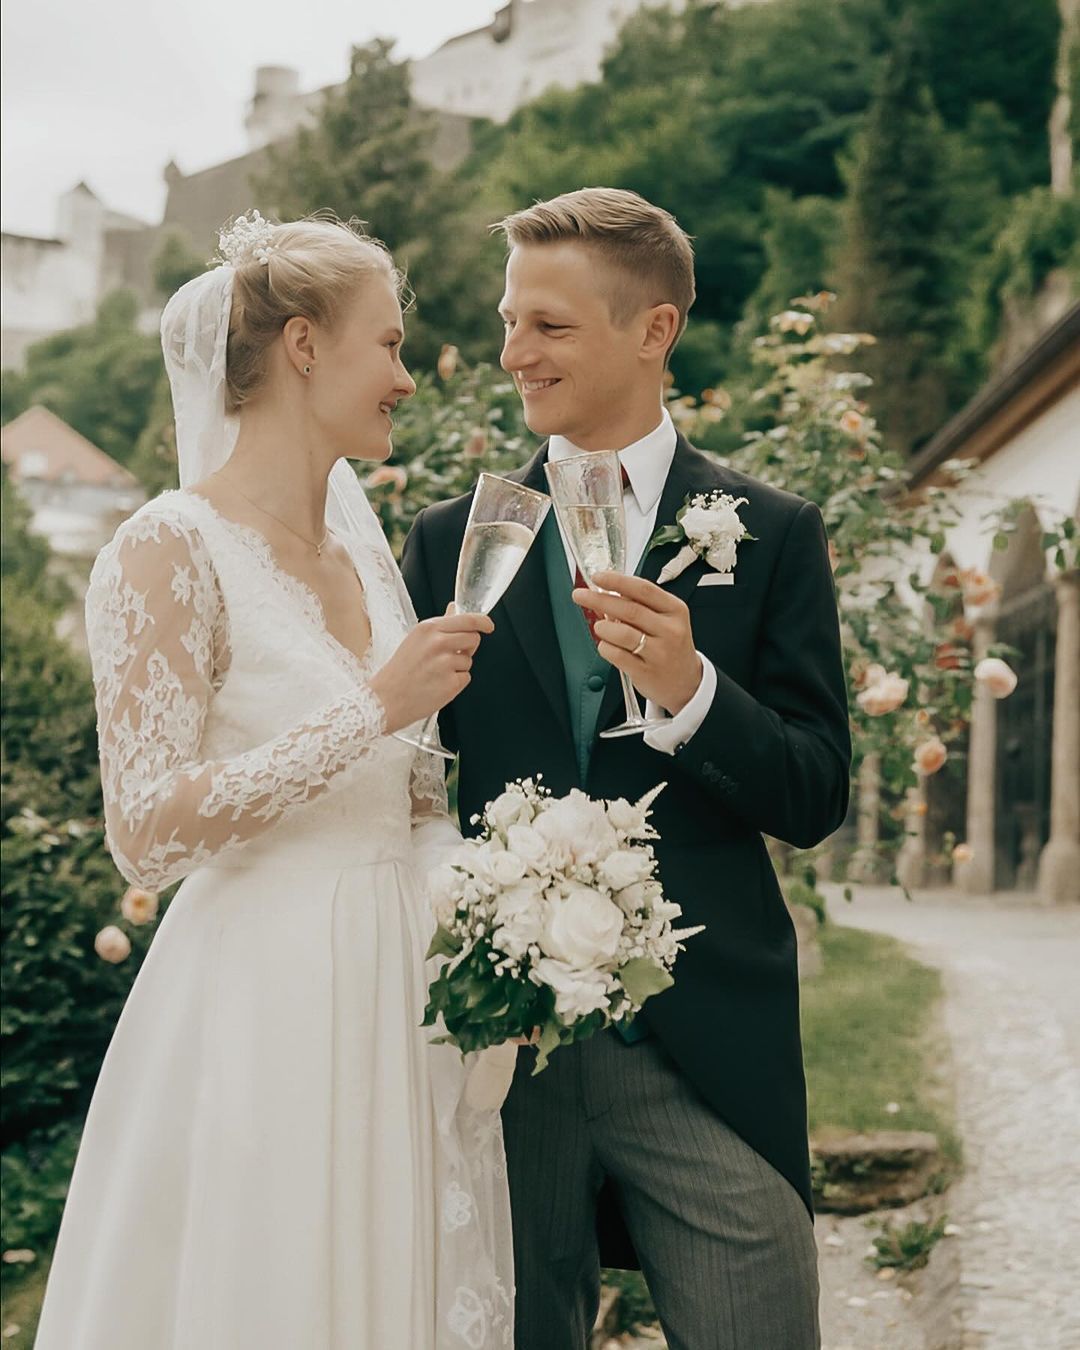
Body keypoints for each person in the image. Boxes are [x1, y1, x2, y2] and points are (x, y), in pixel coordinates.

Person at [34, 213, 513, 1350]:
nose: (406, 377)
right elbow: (145, 831)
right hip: (268, 999)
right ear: (304, 346)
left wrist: (502, 912)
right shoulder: (167, 548)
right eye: (388, 345)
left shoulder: (368, 561)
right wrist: (372, 709)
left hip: (402, 1000)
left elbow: (415, 803)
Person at [400, 188, 851, 1350]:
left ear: (655, 330)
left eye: (548, 325)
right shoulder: (450, 540)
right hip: (502, 1054)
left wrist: (696, 693)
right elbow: (409, 784)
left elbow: (815, 792)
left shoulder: (769, 530)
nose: (514, 353)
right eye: (509, 321)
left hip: (704, 1047)